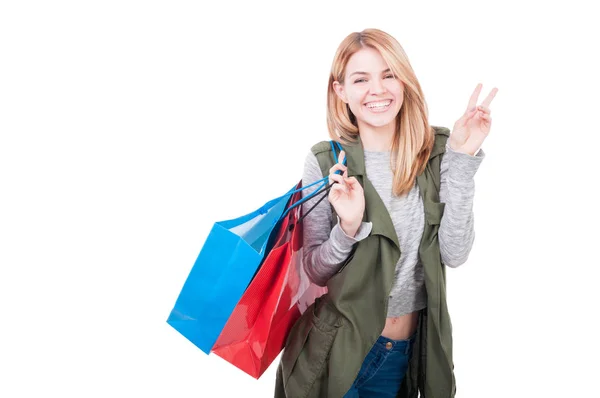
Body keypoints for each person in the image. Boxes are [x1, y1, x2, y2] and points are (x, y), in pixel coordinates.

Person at [274, 28, 497, 398]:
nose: (377, 90)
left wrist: (461, 159)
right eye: (361, 79)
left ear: (404, 81)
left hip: (407, 355)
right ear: (340, 90)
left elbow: (454, 254)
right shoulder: (326, 160)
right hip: (337, 355)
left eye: (388, 74)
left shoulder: (436, 151)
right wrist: (347, 227)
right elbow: (314, 268)